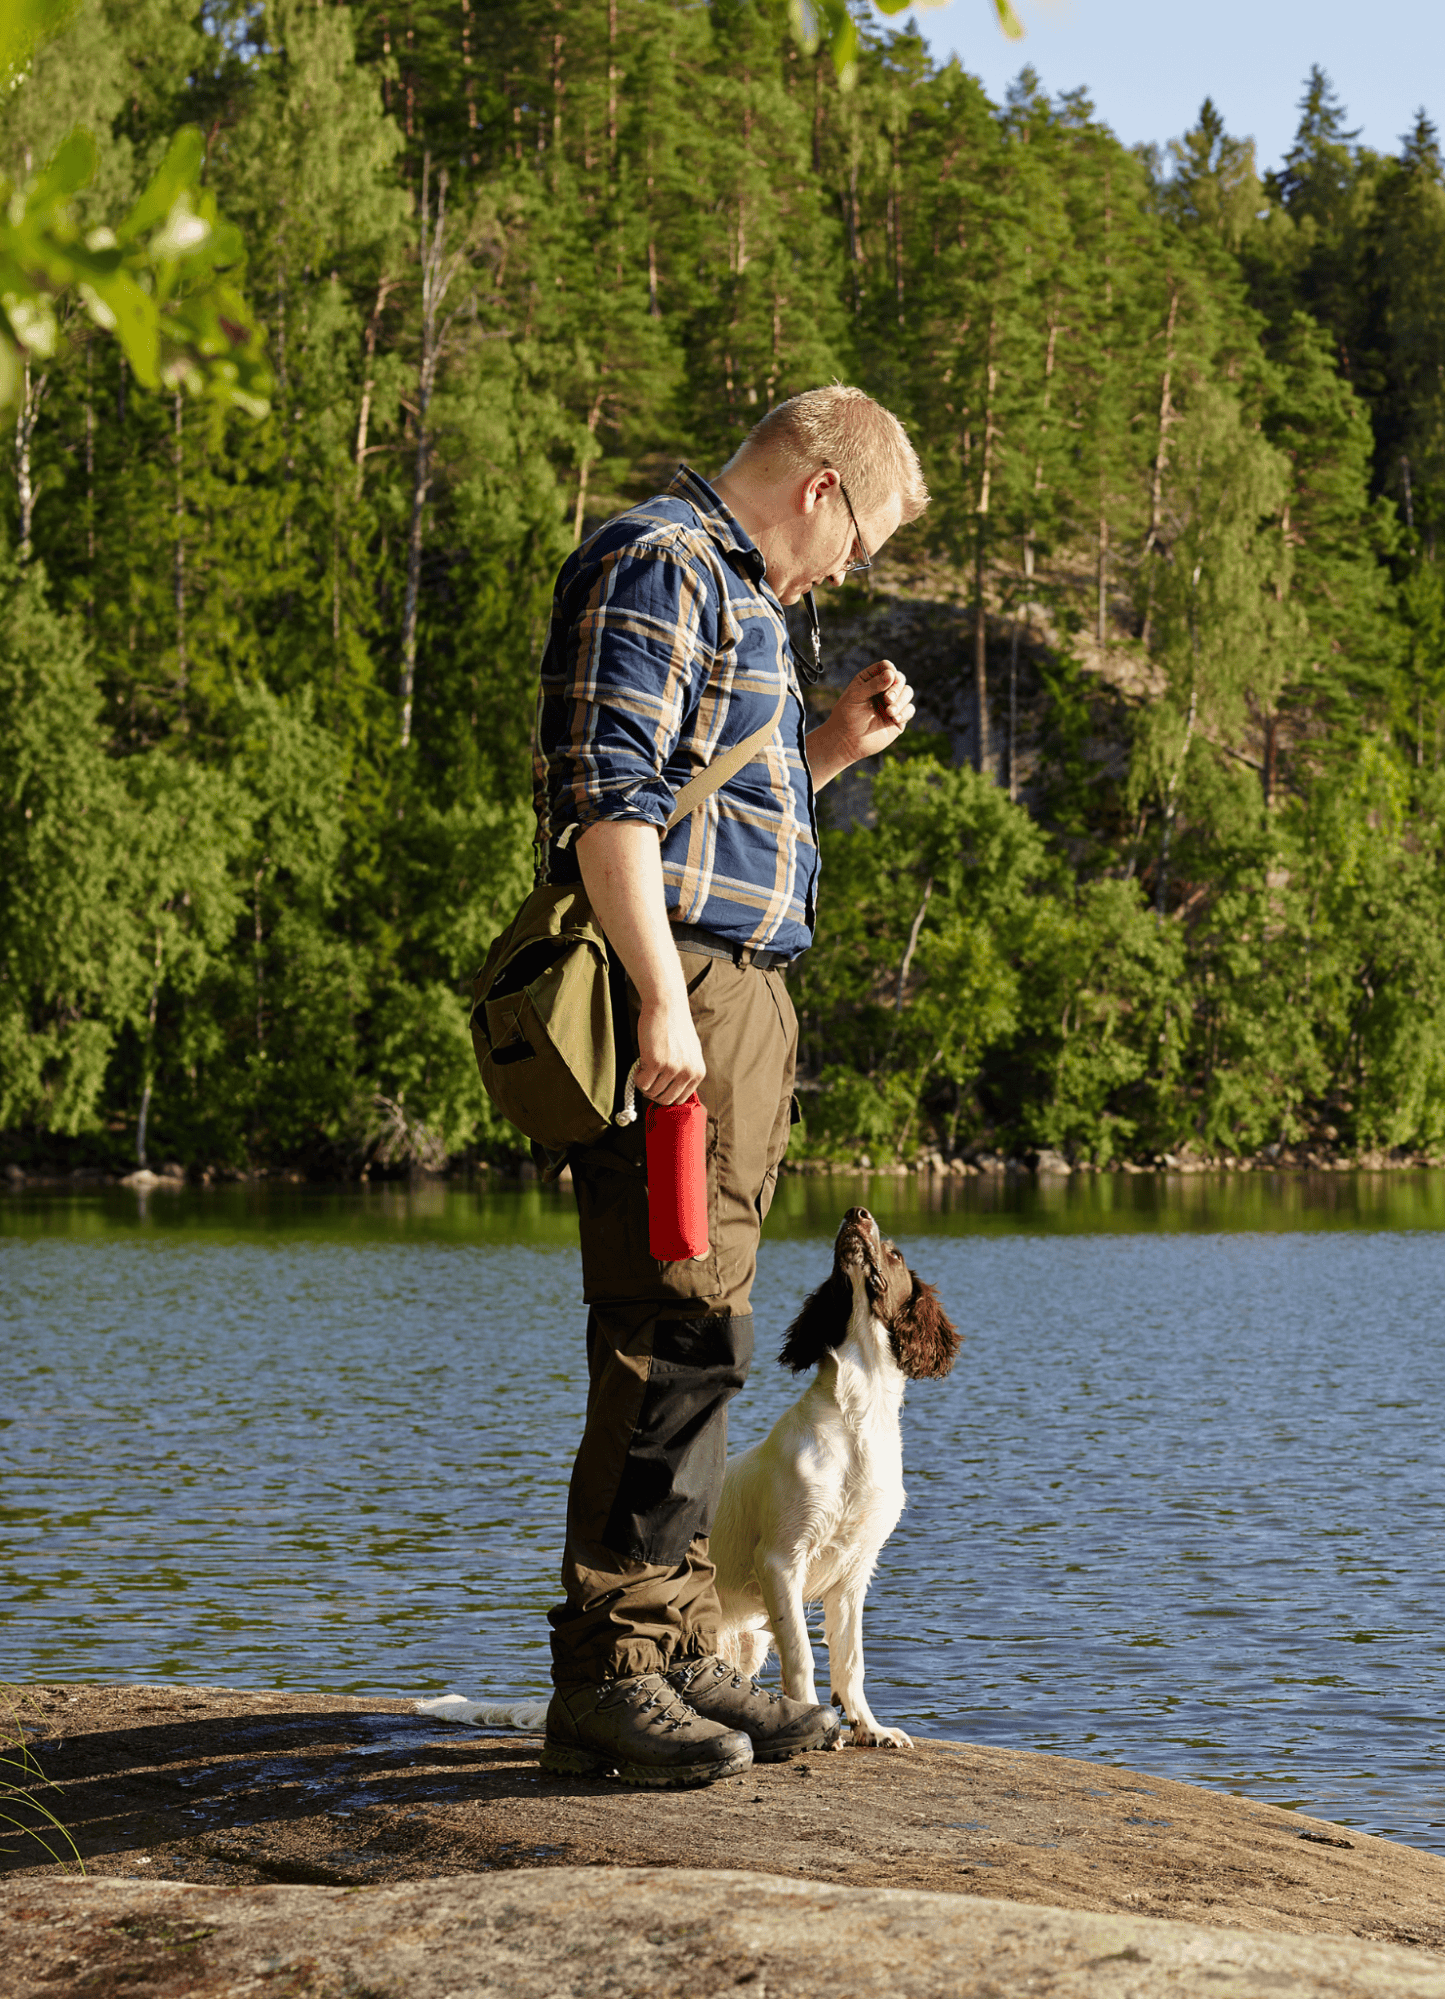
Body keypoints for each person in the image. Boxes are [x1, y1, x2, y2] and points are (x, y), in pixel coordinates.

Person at [533, 384, 929, 1788]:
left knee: (707, 1326)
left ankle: (686, 1640)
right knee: (662, 1316)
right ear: (822, 487)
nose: (849, 572)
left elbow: (718, 808)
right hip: (684, 991)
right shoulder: (661, 562)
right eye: (863, 540)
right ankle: (614, 1671)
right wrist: (655, 992)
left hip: (734, 994)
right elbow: (611, 795)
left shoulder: (744, 602)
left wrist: (828, 750)